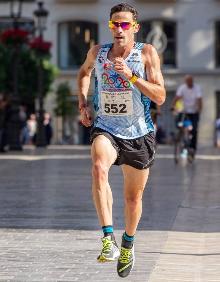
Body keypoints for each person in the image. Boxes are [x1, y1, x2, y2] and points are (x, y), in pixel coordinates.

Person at [77, 3, 166, 278]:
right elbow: (83, 73)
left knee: (132, 198)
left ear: (135, 28)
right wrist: (83, 103)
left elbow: (160, 96)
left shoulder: (147, 53)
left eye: (125, 24)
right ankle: (107, 239)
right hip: (106, 127)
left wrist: (131, 76)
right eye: (115, 23)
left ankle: (128, 243)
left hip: (139, 133)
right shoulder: (98, 52)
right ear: (110, 26)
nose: (119, 29)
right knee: (98, 167)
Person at [171, 75, 202, 157]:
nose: (189, 83)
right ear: (186, 82)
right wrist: (172, 106)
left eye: (190, 81)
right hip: (184, 111)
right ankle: (181, 136)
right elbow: (177, 97)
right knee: (179, 123)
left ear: (192, 81)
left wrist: (199, 109)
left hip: (194, 112)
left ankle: (192, 148)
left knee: (194, 130)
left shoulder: (197, 88)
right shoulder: (182, 88)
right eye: (187, 81)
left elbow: (199, 100)